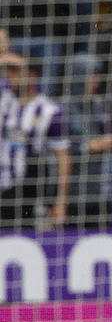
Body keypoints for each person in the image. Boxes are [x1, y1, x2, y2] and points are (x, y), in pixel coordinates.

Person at [0, 52, 70, 228]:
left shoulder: (49, 111)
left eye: (16, 71)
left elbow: (63, 158)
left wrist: (61, 202)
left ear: (32, 75)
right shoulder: (4, 100)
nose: (10, 76)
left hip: (25, 190)